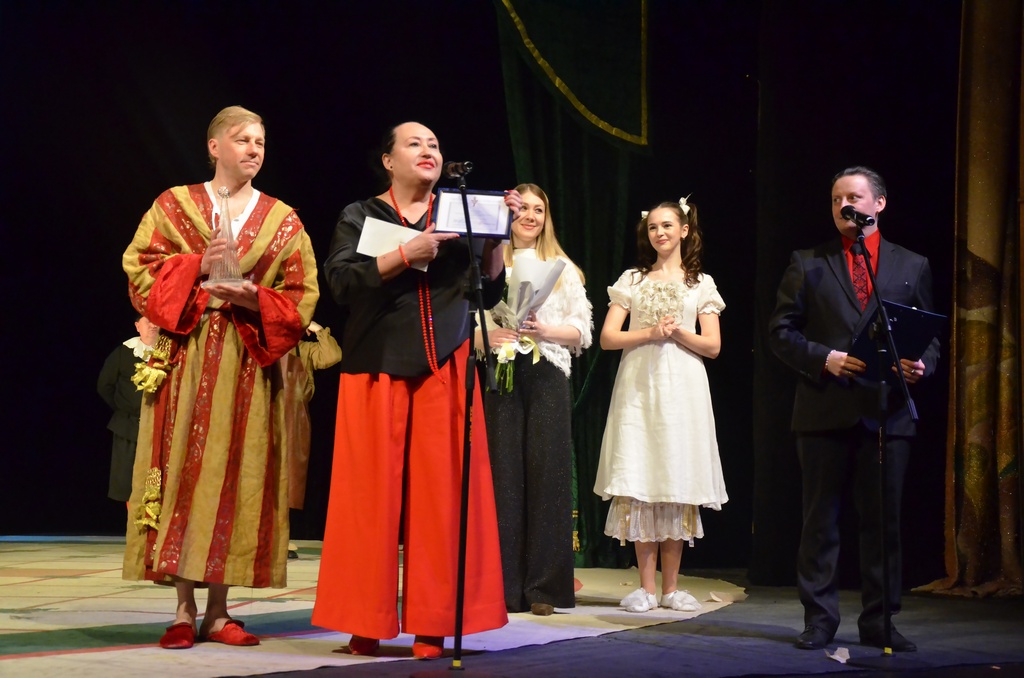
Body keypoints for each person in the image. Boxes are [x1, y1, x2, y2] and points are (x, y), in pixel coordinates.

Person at [312, 121, 514, 660]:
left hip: (444, 369)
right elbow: (341, 282)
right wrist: (407, 252)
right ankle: (364, 621)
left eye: (435, 145)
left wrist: (497, 236)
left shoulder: (458, 210)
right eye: (414, 143)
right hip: (374, 370)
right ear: (388, 159)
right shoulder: (361, 214)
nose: (428, 151)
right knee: (367, 500)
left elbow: (489, 284)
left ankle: (435, 623)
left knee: (443, 502)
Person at [121, 105, 319, 650]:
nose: (254, 149)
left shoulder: (282, 219)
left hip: (246, 362)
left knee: (236, 475)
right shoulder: (174, 205)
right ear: (214, 147)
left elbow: (302, 295)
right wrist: (196, 268)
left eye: (260, 141)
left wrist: (254, 296)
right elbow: (138, 268)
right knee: (183, 472)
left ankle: (219, 611)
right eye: (242, 139)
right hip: (185, 358)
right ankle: (183, 609)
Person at [768, 166, 939, 653]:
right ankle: (819, 620)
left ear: (878, 204)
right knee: (820, 521)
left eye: (855, 197)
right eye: (837, 199)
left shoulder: (912, 265)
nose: (845, 205)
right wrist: (825, 358)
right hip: (825, 409)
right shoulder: (808, 262)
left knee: (883, 523)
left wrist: (921, 365)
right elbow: (780, 332)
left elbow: (929, 335)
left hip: (888, 411)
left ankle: (880, 621)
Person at [593, 197, 728, 614]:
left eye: (667, 225)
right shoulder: (633, 280)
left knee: (675, 476)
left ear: (684, 230)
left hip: (682, 388)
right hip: (639, 386)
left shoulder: (700, 283)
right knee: (641, 475)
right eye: (653, 227)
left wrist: (678, 333)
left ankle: (671, 588)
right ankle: (646, 588)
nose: (660, 233)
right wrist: (651, 332)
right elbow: (608, 337)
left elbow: (713, 345)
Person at [478, 183, 593, 615]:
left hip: (547, 372)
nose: (529, 216)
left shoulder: (562, 268)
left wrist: (544, 330)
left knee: (548, 476)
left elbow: (581, 331)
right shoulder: (491, 264)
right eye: (522, 208)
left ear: (547, 219)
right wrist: (489, 334)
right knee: (503, 476)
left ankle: (544, 589)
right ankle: (505, 587)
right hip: (502, 371)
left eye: (538, 210)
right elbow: (470, 317)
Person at [276, 320, 342, 558]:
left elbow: (332, 356)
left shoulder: (303, 350)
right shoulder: (263, 346)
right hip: (266, 417)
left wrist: (318, 330)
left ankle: (280, 539)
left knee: (287, 480)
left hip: (294, 421)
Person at [97, 314, 159, 503]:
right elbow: (104, 385)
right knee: (127, 481)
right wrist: (123, 408)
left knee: (156, 480)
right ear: (137, 326)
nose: (153, 325)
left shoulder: (170, 352)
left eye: (156, 321)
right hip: (128, 426)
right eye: (148, 321)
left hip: (159, 428)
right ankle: (133, 520)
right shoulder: (123, 352)